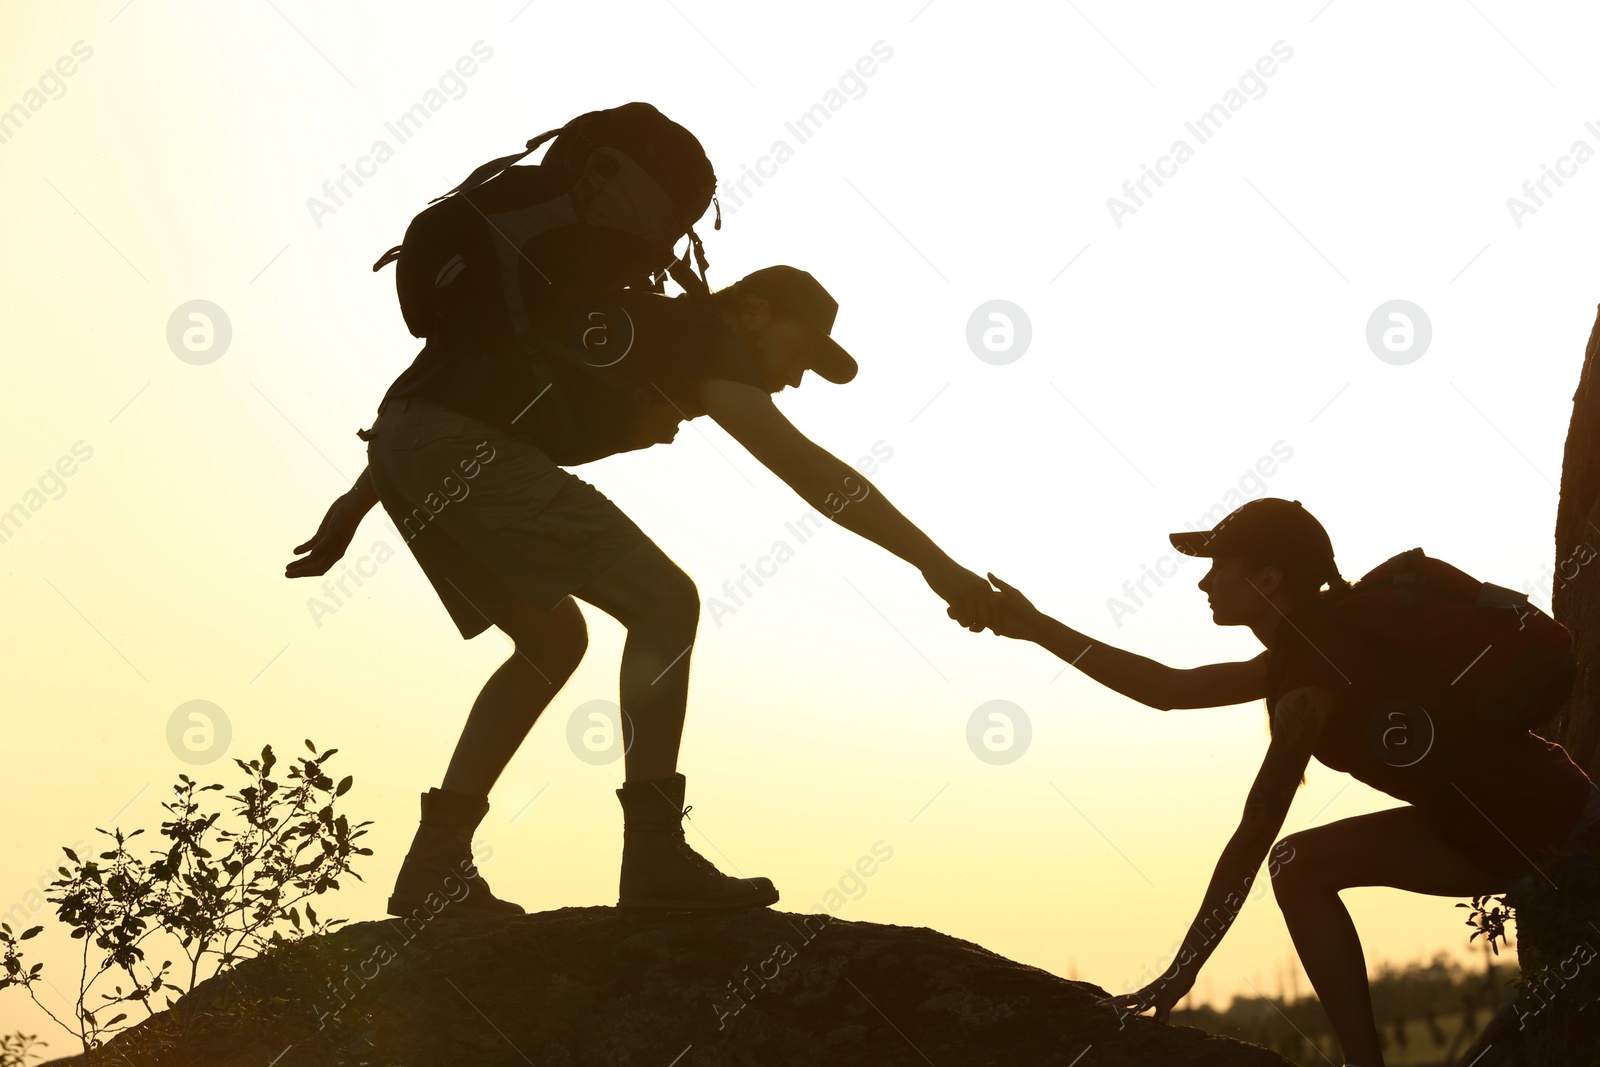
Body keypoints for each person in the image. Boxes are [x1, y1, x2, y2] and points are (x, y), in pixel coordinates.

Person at [286, 264, 999, 920]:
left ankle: (434, 865)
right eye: (800, 351)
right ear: (753, 312)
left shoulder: (642, 325)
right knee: (665, 602)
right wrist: (934, 564)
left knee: (551, 640)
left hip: (407, 444)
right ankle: (654, 854)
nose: (796, 378)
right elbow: (807, 469)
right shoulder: (701, 337)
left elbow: (457, 389)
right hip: (455, 448)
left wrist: (356, 502)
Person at [984, 496, 1600, 1067]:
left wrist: (1184, 967)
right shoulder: (1310, 647)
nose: (1203, 582)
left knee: (1293, 862)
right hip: (1511, 835)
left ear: (1269, 578)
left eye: (1218, 567)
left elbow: (1257, 826)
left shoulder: (1316, 666)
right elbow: (1165, 689)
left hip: (1560, 837)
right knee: (1299, 863)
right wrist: (1035, 626)